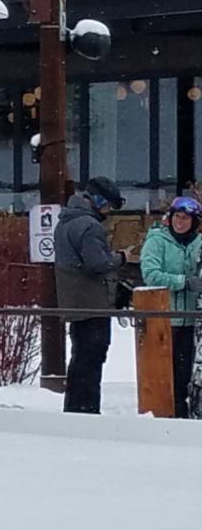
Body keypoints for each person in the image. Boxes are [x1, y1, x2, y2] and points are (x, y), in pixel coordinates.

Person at [54, 176, 133, 414]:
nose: (108, 211)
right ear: (97, 201)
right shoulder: (89, 226)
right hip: (93, 303)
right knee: (92, 359)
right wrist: (122, 257)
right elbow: (98, 263)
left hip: (74, 302)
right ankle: (87, 411)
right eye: (108, 205)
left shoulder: (65, 222)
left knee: (79, 359)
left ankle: (75, 408)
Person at [140, 195, 202, 418]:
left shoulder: (199, 243)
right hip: (165, 321)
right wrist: (183, 282)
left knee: (188, 376)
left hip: (193, 322)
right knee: (167, 376)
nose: (180, 222)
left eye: (186, 218)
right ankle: (169, 416)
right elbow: (151, 275)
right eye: (178, 216)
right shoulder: (157, 241)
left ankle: (188, 414)